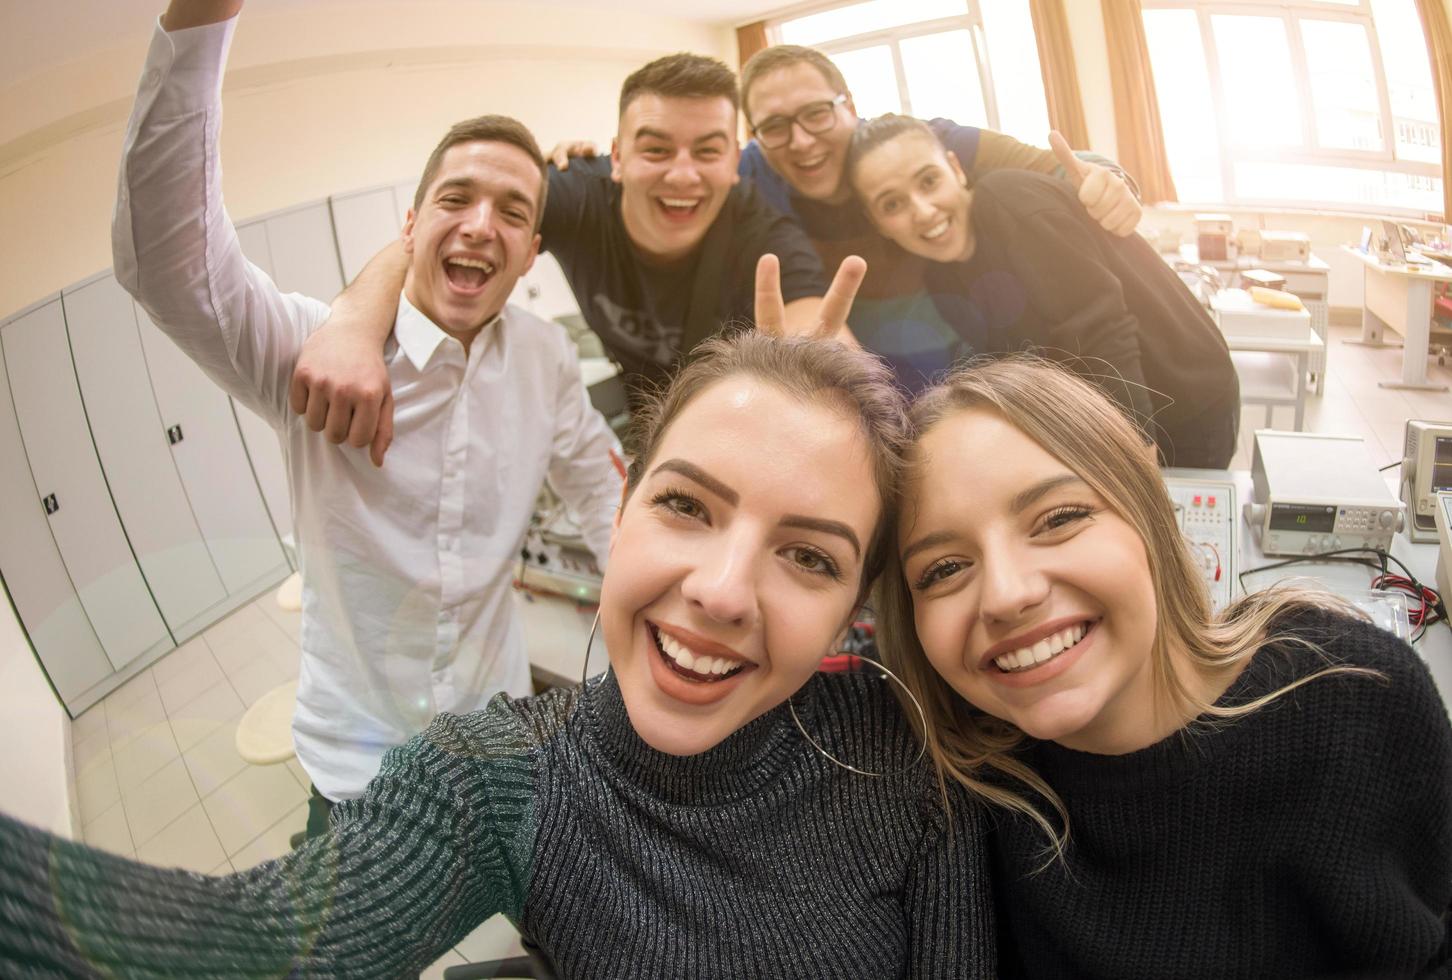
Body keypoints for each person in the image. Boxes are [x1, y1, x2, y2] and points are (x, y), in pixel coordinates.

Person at [0, 321, 998, 976]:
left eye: (808, 555)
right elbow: (255, 947)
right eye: (686, 504)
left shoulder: (903, 743)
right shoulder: (493, 780)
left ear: (852, 608)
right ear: (623, 507)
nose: (722, 590)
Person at [113, 0, 623, 833]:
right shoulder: (311, 351)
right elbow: (166, 263)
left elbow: (603, 498)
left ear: (533, 251)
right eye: (456, 197)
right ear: (412, 224)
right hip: (358, 770)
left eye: (513, 211)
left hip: (497, 746)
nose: (481, 225)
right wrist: (203, 19)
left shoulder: (545, 359)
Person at [875, 355, 1452, 977]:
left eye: (1059, 518)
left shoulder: (1357, 698)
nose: (1007, 595)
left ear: (1147, 508)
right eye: (943, 569)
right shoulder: (953, 794)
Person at [295, 51, 853, 453]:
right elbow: (432, 239)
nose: (682, 175)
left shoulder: (763, 231)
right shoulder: (577, 192)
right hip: (649, 407)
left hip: (738, 410)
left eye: (707, 151)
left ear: (734, 162)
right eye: (656, 149)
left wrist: (830, 384)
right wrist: (350, 327)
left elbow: (817, 331)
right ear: (616, 157)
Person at [736, 44, 1144, 389]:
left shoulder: (913, 144)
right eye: (773, 125)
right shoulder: (756, 172)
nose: (801, 140)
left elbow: (1060, 166)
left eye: (817, 112)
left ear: (850, 106)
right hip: (859, 384)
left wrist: (1110, 181)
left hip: (971, 371)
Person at [847, 114, 1239, 468]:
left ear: (956, 168)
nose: (924, 210)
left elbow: (1103, 334)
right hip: (1108, 414)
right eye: (893, 204)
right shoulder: (941, 278)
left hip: (1186, 399)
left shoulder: (1012, 201)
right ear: (878, 223)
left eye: (929, 181)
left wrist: (1136, 467)